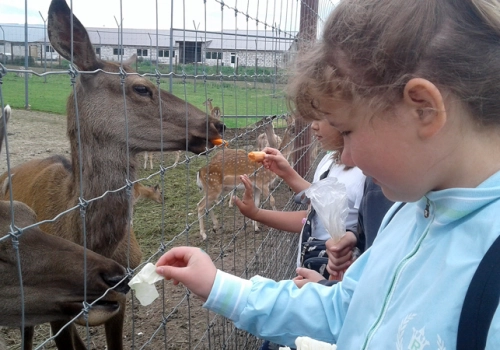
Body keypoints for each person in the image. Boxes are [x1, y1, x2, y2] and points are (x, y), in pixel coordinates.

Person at [155, 0, 500, 348]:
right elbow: (344, 310)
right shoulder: (408, 214)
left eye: (346, 131)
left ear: (423, 109)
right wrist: (218, 285)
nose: (344, 155)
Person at [234, 118, 365, 277]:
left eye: (322, 116)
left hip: (335, 279)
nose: (313, 125)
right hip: (310, 272)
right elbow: (313, 215)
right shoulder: (328, 161)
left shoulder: (366, 175)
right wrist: (285, 173)